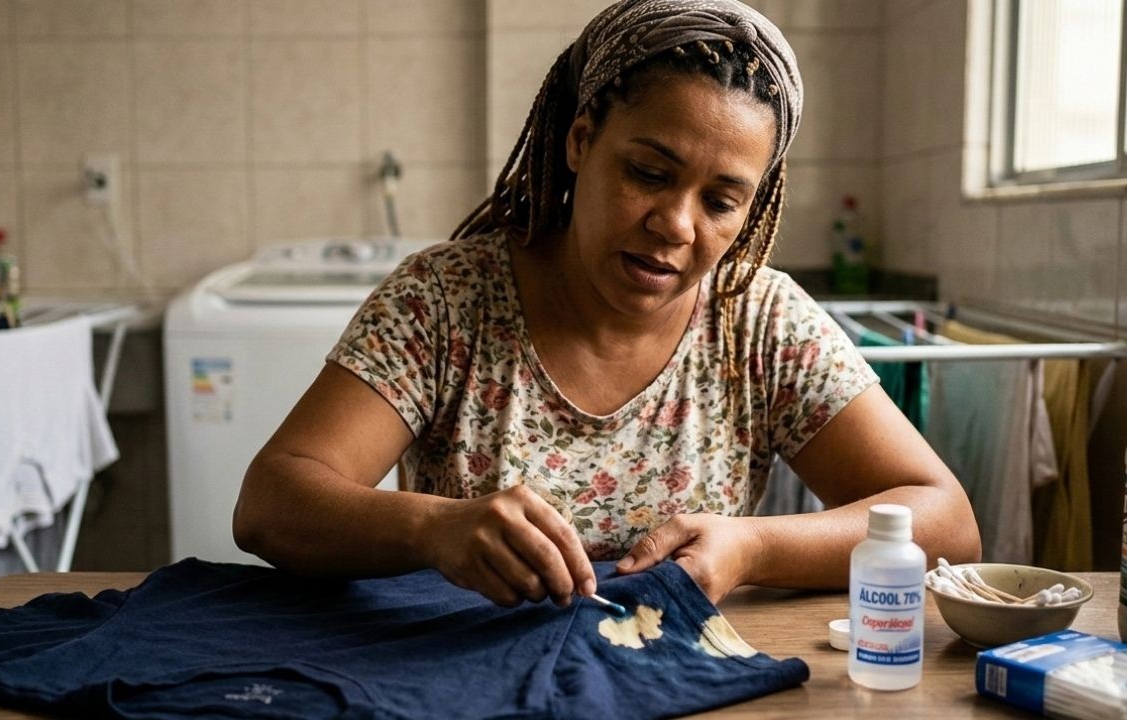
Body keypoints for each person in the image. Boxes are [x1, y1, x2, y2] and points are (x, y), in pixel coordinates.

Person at [233, 0, 981, 608]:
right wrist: (436, 529)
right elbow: (272, 503)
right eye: (649, 172)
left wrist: (754, 547)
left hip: (675, 683)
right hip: (460, 681)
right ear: (581, 140)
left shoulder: (757, 321)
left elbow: (946, 521)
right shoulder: (446, 302)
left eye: (721, 201)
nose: (677, 225)